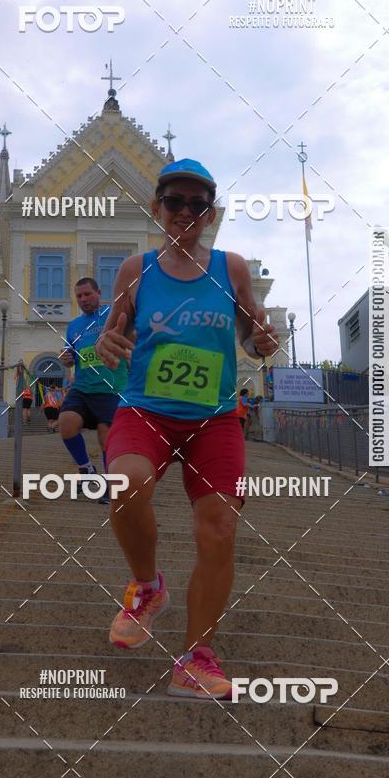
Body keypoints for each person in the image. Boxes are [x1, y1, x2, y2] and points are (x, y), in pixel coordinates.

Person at [95, 158, 279, 700]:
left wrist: (261, 342)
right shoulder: (136, 270)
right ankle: (148, 587)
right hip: (147, 410)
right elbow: (112, 335)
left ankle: (196, 657)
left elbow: (251, 337)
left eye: (197, 204)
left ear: (211, 214)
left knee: (219, 529)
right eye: (174, 201)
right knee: (125, 484)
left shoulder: (232, 269)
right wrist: (106, 346)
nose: (185, 211)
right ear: (157, 209)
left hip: (214, 418)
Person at [59, 277, 129, 505]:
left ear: (99, 292)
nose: (83, 299)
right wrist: (66, 358)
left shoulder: (113, 315)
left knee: (105, 437)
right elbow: (70, 357)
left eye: (88, 294)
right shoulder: (74, 326)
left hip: (111, 388)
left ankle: (109, 486)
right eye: (79, 296)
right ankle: (87, 470)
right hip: (82, 386)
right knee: (66, 423)